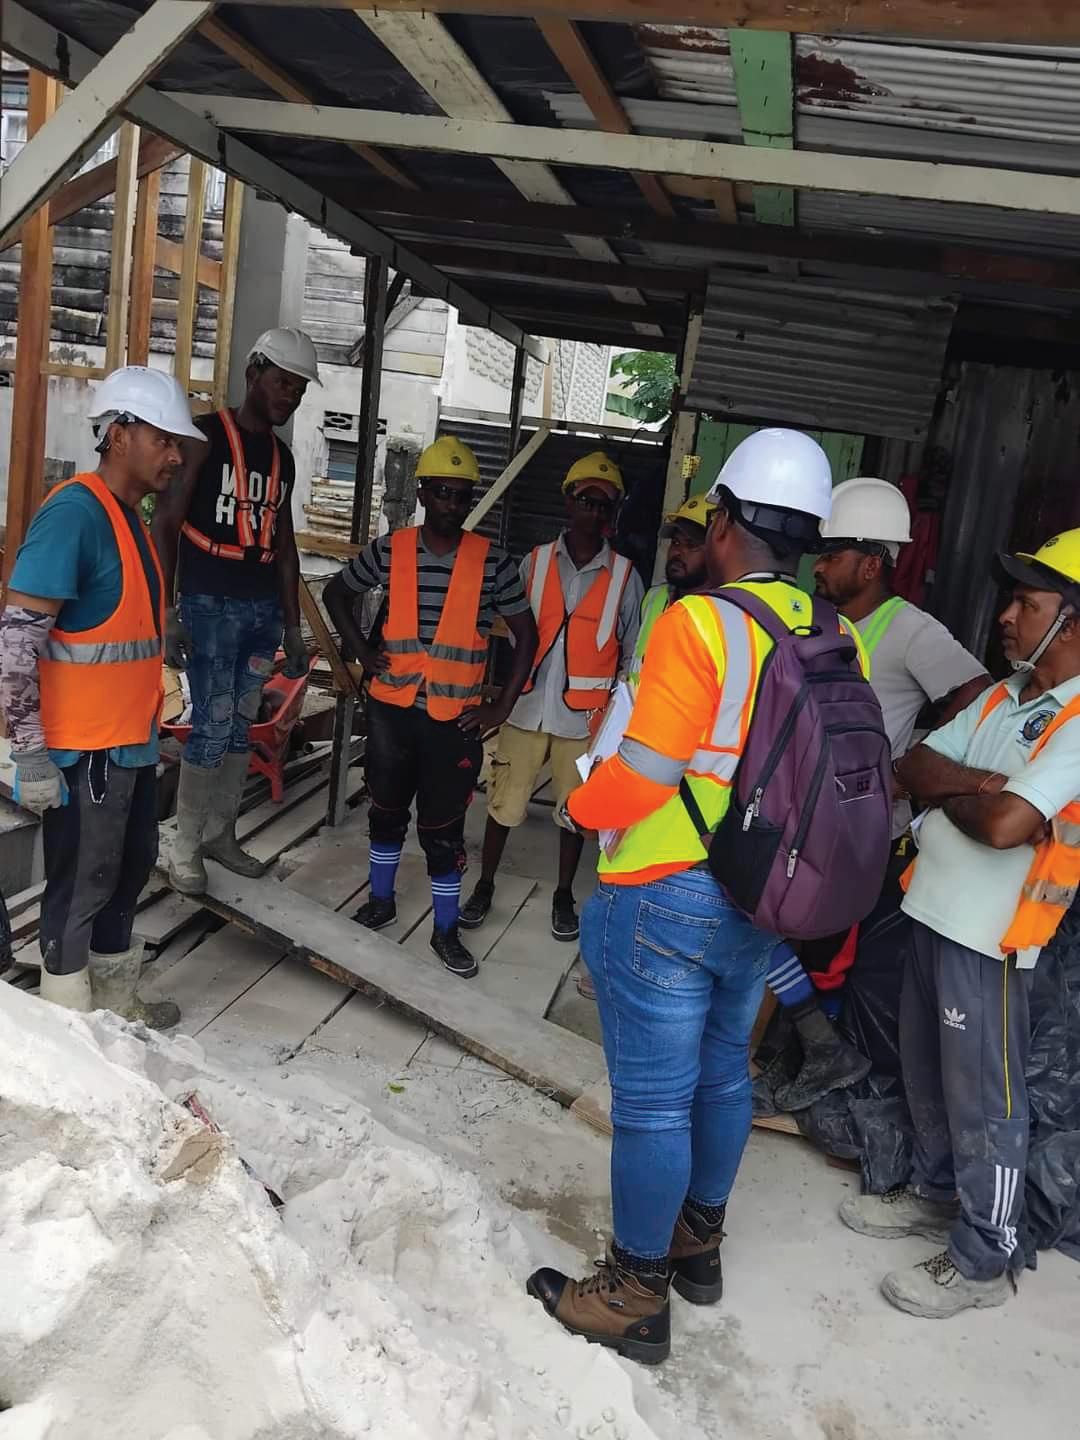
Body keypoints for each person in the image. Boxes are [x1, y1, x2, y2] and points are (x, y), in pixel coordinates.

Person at [526, 428, 862, 1365]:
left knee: (652, 1104)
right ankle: (696, 1247)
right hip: (761, 895)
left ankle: (635, 1295)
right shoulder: (830, 629)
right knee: (722, 1074)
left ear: (724, 521)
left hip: (667, 892)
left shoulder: (700, 622)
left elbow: (645, 774)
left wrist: (579, 805)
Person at [841, 529, 1080, 1319]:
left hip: (992, 938)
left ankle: (983, 1258)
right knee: (926, 1072)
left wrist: (964, 793)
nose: (1005, 616)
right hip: (932, 910)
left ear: (1071, 622)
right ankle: (935, 1192)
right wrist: (980, 784)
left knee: (986, 1098)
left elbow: (1009, 826)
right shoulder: (1004, 697)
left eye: (1026, 604)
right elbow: (910, 765)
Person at [756, 477, 990, 1113]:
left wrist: (911, 767)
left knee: (827, 951)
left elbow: (978, 698)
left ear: (871, 563)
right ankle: (799, 1050)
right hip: (801, 816)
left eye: (832, 555)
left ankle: (815, 1061)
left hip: (860, 831)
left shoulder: (912, 631)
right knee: (774, 929)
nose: (818, 566)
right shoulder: (817, 618)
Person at [0, 367, 204, 1023]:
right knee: (83, 884)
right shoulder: (75, 514)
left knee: (125, 871)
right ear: (119, 434)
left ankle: (114, 1009)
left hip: (127, 744)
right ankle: (70, 1026)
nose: (176, 456)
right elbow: (16, 643)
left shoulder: (127, 519)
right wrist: (30, 752)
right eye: (164, 440)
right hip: (87, 749)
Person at [322, 436, 538, 979]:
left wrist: (501, 707)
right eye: (442, 492)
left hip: (453, 722)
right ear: (421, 493)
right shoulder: (390, 550)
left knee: (443, 830)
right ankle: (381, 902)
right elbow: (336, 593)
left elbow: (527, 636)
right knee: (385, 811)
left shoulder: (494, 564)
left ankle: (445, 931)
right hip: (392, 712)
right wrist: (363, 652)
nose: (452, 504)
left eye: (462, 495)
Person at [151, 327, 319, 895]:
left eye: (298, 389)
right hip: (208, 604)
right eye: (282, 383)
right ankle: (185, 847)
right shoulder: (203, 439)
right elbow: (165, 524)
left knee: (243, 725)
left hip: (260, 612)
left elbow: (286, 546)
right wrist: (167, 611)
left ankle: (220, 836)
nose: (290, 396)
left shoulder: (282, 458)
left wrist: (292, 626)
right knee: (213, 722)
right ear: (253, 373)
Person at [459, 452, 642, 942]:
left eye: (604, 505)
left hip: (584, 720)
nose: (594, 512)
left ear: (613, 512)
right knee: (503, 800)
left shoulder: (625, 575)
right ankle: (485, 884)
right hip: (525, 707)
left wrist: (615, 720)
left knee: (573, 812)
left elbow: (630, 652)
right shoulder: (535, 563)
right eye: (586, 500)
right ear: (568, 501)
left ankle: (564, 895)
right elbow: (508, 628)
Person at [628, 494, 715, 693]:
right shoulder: (654, 598)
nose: (678, 552)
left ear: (715, 553)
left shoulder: (721, 614)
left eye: (691, 545)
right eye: (676, 543)